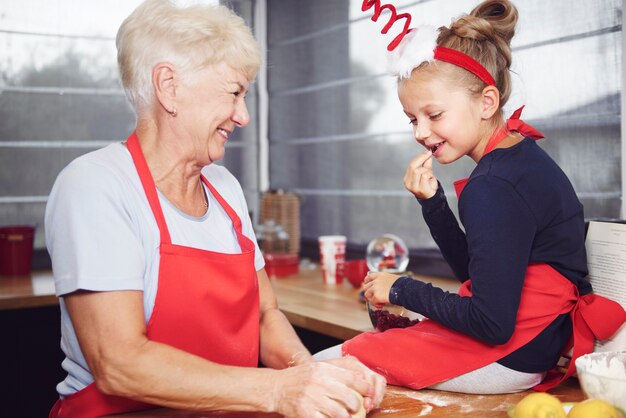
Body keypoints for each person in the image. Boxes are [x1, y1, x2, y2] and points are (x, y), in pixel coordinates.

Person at [45, 1, 385, 417]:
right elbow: (120, 364)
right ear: (169, 86)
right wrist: (279, 391)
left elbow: (264, 316)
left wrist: (312, 375)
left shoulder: (224, 188)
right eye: (234, 93)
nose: (242, 116)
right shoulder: (96, 185)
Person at [317, 0, 626, 394]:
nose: (420, 132)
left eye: (434, 115)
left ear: (487, 102)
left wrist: (400, 288)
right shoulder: (520, 159)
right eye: (413, 119)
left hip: (508, 355)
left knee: (320, 368)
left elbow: (491, 323)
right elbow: (479, 277)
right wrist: (433, 205)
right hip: (534, 348)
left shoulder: (492, 186)